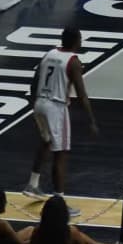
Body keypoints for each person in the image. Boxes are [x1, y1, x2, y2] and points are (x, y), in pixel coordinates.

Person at [23, 28, 97, 217]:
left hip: (40, 102)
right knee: (61, 153)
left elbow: (36, 79)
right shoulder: (73, 62)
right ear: (76, 41)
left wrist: (34, 103)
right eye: (80, 39)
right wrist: (91, 120)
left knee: (46, 141)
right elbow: (82, 95)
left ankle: (33, 183)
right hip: (56, 107)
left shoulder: (50, 53)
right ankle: (60, 202)